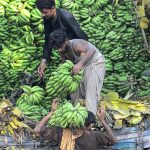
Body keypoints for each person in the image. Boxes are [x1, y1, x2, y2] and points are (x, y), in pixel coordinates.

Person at [48, 29, 105, 115]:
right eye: (57, 48)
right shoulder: (62, 49)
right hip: (83, 65)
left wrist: (79, 64)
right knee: (75, 93)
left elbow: (92, 50)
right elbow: (64, 62)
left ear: (66, 40)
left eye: (60, 47)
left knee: (90, 93)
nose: (59, 50)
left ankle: (90, 120)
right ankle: (77, 115)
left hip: (94, 63)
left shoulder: (76, 44)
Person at [34, 100, 117, 150]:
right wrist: (102, 120)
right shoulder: (95, 136)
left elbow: (37, 130)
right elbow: (114, 141)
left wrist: (51, 112)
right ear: (90, 125)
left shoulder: (60, 132)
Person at [36, 0, 88, 78]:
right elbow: (48, 39)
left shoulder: (66, 17)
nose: (42, 15)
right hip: (65, 51)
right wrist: (44, 61)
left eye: (45, 12)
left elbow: (82, 36)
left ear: (53, 8)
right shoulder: (47, 18)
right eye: (41, 12)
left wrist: (81, 60)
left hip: (77, 50)